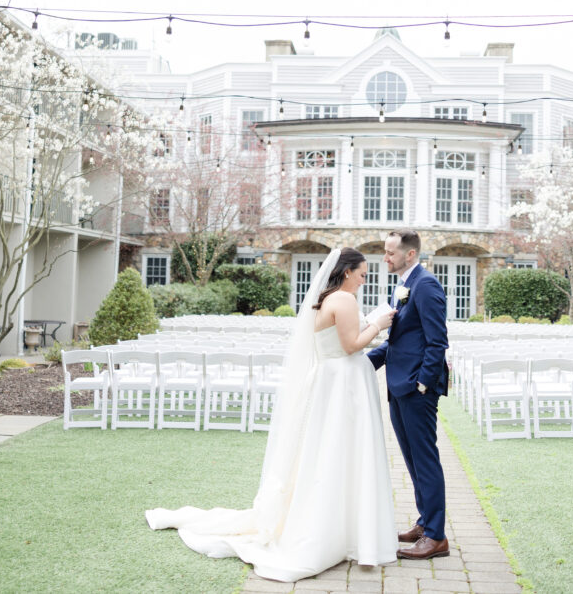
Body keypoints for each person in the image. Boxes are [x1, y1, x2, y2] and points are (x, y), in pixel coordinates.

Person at [146, 248, 398, 582]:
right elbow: (352, 345)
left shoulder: (324, 301)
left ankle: (333, 526)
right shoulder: (345, 300)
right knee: (344, 455)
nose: (365, 280)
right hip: (343, 386)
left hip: (328, 383)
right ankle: (347, 531)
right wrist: (378, 324)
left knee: (325, 456)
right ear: (347, 271)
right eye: (363, 273)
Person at [367, 229, 451, 560]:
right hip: (397, 383)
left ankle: (436, 536)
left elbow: (437, 340)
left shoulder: (426, 284)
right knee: (412, 458)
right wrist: (363, 361)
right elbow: (400, 339)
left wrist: (423, 383)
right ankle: (424, 522)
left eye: (390, 253)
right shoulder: (404, 284)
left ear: (410, 254)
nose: (385, 258)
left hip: (416, 388)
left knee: (425, 459)